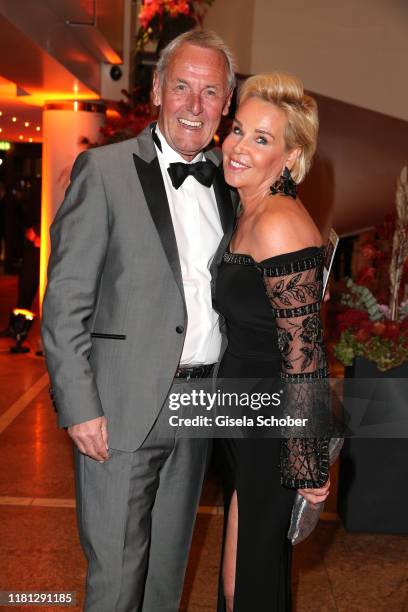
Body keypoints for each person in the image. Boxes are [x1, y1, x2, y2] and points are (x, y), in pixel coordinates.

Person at [41, 30, 237, 612]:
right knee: (118, 579)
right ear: (156, 89)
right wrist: (79, 406)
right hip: (121, 411)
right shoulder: (103, 171)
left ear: (226, 104)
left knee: (165, 578)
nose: (194, 106)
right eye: (182, 87)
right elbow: (66, 299)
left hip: (200, 407)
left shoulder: (231, 183)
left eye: (210, 93)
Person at [213, 73, 331, 611]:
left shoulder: (280, 221)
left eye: (262, 139)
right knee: (240, 579)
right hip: (244, 416)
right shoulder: (250, 210)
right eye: (239, 130)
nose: (238, 146)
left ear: (289, 157)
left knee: (254, 580)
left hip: (271, 427)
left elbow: (304, 351)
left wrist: (307, 464)